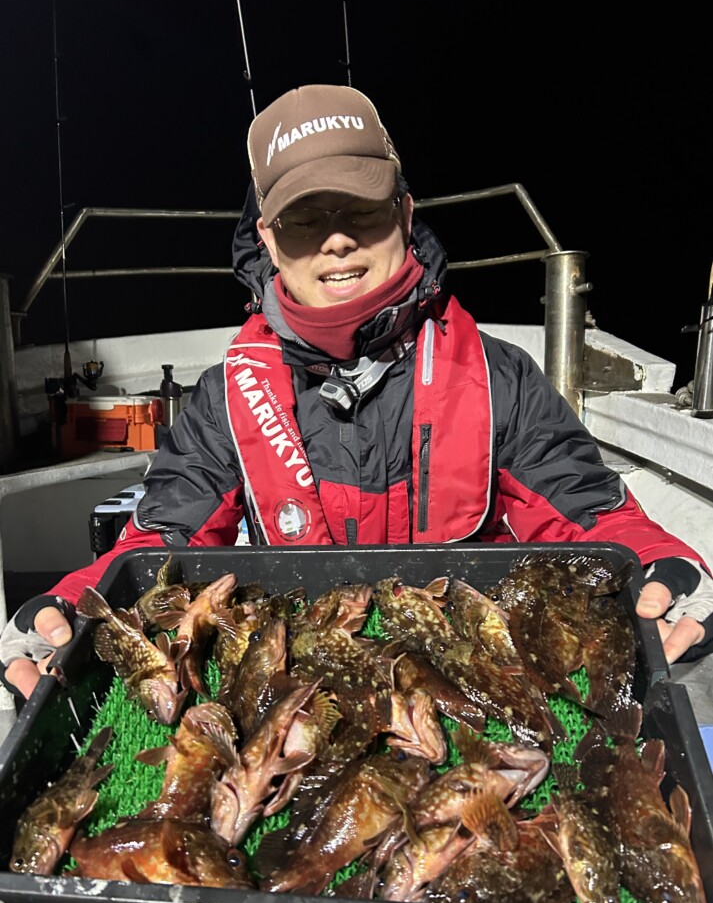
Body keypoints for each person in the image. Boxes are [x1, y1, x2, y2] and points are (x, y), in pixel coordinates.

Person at [2, 83, 712, 701]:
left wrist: (665, 565)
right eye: (305, 219)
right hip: (299, 670)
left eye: (360, 209)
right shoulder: (225, 396)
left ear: (404, 216)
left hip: (471, 666)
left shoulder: (499, 377)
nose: (335, 240)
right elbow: (161, 541)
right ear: (269, 242)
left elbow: (590, 518)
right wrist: (73, 603)